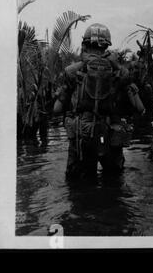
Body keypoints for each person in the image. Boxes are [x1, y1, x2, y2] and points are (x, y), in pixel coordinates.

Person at [53, 23, 145, 180]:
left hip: (81, 136)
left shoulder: (72, 71)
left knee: (79, 189)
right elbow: (140, 108)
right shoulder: (121, 73)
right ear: (107, 46)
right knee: (113, 186)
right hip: (111, 137)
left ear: (85, 45)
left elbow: (56, 109)